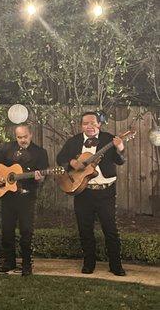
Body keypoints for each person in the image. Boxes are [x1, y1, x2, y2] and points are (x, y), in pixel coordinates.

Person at [56, 111, 126, 276]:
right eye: (86, 123)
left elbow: (120, 161)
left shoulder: (110, 139)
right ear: (81, 126)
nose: (90, 126)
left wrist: (120, 148)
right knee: (85, 229)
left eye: (93, 123)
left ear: (99, 124)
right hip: (83, 191)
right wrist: (71, 162)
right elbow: (61, 159)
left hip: (106, 192)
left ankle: (116, 265)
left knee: (110, 229)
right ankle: (89, 264)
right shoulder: (73, 142)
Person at [0, 123, 49, 276]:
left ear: (30, 135)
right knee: (7, 230)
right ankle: (9, 261)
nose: (22, 140)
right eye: (19, 137)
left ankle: (26, 264)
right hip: (8, 196)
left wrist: (40, 178)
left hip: (27, 197)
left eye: (25, 137)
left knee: (26, 231)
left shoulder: (40, 152)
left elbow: (43, 176)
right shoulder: (7, 148)